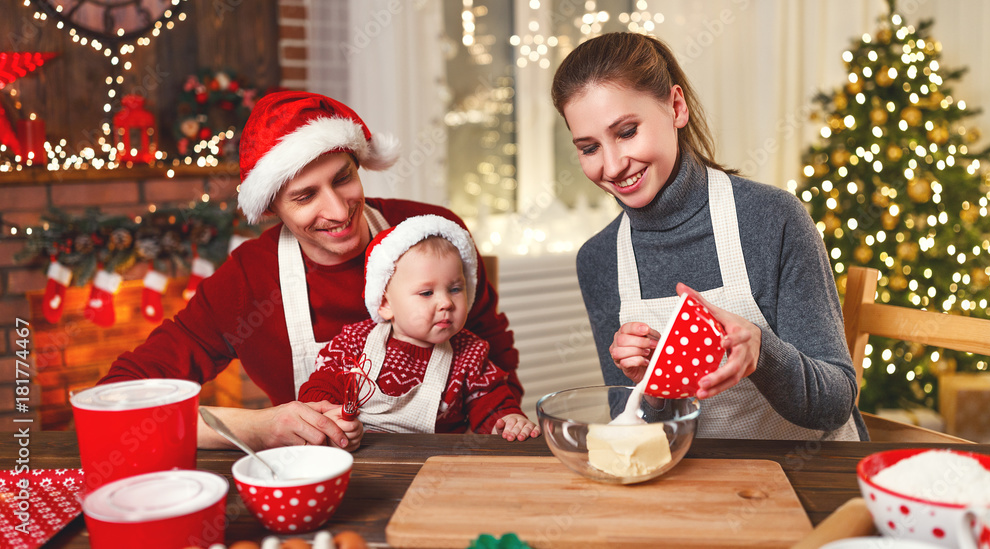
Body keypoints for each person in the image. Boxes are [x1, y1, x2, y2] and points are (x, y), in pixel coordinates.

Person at [100, 91, 523, 451]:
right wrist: (259, 428)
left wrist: (501, 433)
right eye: (305, 197)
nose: (339, 211)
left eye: (343, 179)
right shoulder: (248, 280)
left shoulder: (433, 233)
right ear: (272, 208)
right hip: (318, 482)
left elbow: (493, 352)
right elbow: (116, 400)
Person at [551, 32, 867, 440]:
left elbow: (835, 403)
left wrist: (762, 352)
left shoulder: (773, 219)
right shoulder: (598, 260)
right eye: (589, 148)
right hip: (696, 484)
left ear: (676, 107)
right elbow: (636, 428)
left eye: (627, 131)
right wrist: (651, 389)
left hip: (804, 476)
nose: (611, 166)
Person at [299, 215, 540, 441]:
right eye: (426, 293)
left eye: (455, 289)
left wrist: (507, 420)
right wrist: (327, 415)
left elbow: (490, 401)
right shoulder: (354, 342)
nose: (446, 302)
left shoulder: (470, 353)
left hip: (436, 463)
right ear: (384, 304)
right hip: (362, 457)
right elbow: (321, 386)